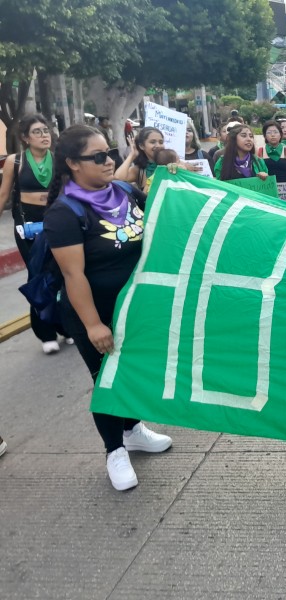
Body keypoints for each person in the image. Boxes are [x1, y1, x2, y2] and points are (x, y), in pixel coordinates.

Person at [44, 125, 172, 491]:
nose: (109, 161)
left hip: (132, 308)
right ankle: (114, 450)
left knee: (129, 371)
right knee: (105, 378)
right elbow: (74, 275)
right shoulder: (63, 214)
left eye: (110, 153)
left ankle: (133, 430)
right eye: (98, 156)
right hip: (93, 312)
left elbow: (170, 212)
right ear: (72, 163)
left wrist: (175, 180)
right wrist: (93, 325)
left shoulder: (125, 191)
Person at [0, 114, 72, 353]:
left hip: (55, 222)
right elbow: (3, 195)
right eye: (37, 132)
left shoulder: (58, 160)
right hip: (27, 226)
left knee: (62, 273)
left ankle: (65, 326)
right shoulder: (15, 161)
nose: (44, 136)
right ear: (25, 138)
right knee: (37, 274)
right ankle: (46, 332)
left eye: (46, 131)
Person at [262, 120, 286, 203]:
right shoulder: (260, 151)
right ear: (264, 135)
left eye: (275, 132)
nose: (272, 135)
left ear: (280, 135)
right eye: (269, 132)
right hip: (267, 192)